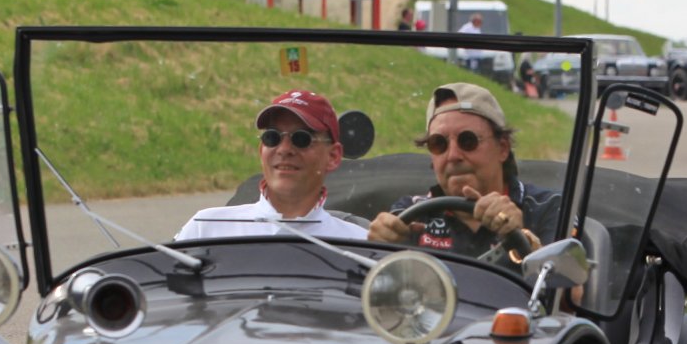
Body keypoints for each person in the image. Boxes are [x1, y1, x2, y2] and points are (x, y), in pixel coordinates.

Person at [367, 83, 561, 259]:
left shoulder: (548, 208)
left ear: (502, 148)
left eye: (468, 141)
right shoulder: (410, 214)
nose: (453, 155)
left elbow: (567, 284)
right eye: (438, 143)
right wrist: (379, 246)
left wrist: (524, 239)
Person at [175, 90, 366, 241]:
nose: (284, 149)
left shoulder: (360, 243)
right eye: (272, 137)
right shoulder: (205, 229)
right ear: (261, 151)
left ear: (333, 156)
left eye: (301, 139)